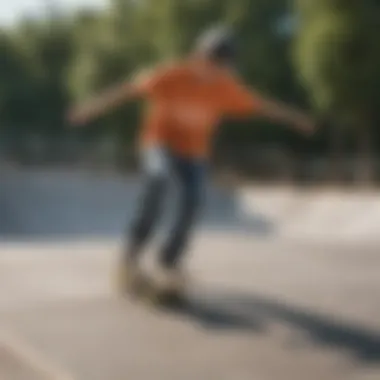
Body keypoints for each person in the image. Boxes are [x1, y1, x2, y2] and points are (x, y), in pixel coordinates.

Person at [68, 25, 314, 301]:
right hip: (159, 144)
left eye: (221, 69)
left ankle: (168, 261)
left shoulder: (226, 88)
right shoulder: (170, 75)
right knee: (158, 180)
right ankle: (130, 257)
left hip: (194, 153)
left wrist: (295, 119)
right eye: (210, 65)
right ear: (198, 57)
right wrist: (90, 108)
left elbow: (261, 105)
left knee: (194, 199)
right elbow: (128, 90)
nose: (213, 73)